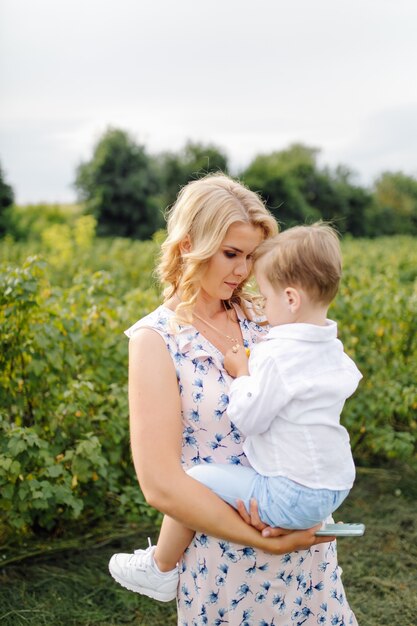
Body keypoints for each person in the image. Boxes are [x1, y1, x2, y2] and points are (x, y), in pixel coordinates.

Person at [109, 174, 359, 625]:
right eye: (230, 254)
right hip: (226, 566)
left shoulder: (269, 315)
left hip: (305, 556)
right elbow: (161, 483)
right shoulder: (156, 340)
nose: (243, 271)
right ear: (189, 246)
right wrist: (265, 539)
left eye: (251, 257)